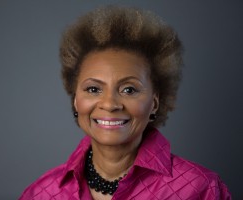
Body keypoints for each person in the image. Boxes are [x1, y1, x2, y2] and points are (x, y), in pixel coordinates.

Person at [19, 6, 231, 200]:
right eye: (93, 89)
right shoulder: (40, 193)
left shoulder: (201, 188)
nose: (110, 104)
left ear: (154, 103)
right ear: (76, 100)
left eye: (129, 89)